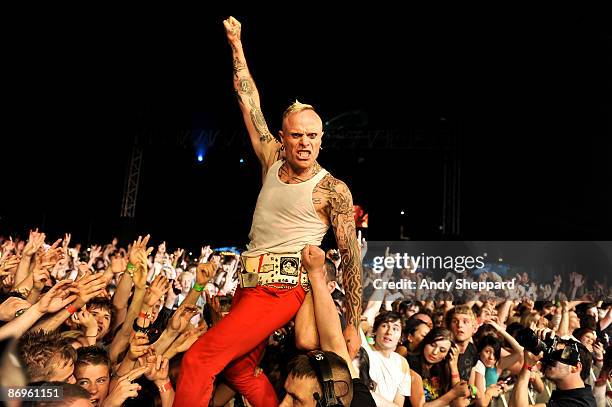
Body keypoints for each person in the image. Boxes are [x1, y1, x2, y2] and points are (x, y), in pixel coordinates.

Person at [174, 16, 363, 407]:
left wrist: (355, 323)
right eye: (296, 135)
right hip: (248, 283)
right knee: (239, 369)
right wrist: (236, 45)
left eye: (312, 135)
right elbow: (248, 100)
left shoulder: (332, 190)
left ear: (322, 139)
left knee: (199, 359)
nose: (304, 143)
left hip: (280, 290)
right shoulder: (271, 159)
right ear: (283, 137)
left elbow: (350, 258)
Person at [510, 337, 596, 407]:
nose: (551, 359)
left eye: (559, 354)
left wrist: (527, 366)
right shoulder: (572, 395)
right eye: (552, 353)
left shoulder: (579, 404)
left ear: (576, 368)